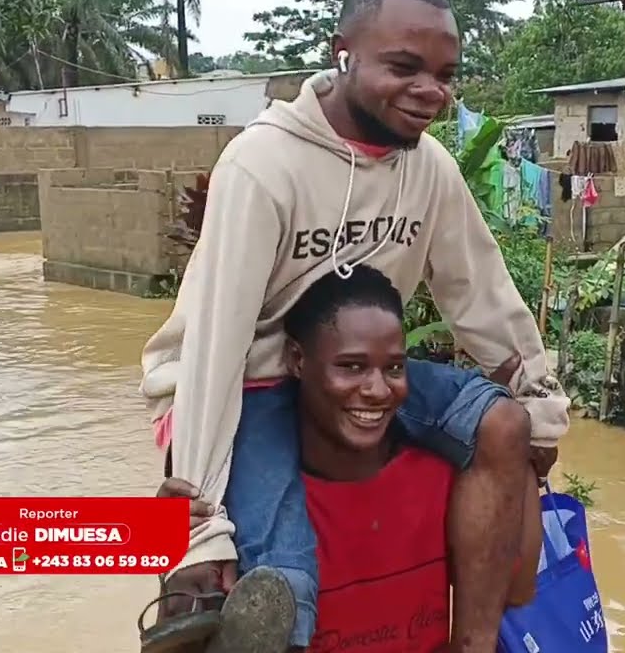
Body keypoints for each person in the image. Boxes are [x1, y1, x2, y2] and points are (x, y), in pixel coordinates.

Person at [139, 0, 569, 653]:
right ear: (343, 53)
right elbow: (215, 340)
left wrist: (538, 401)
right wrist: (199, 515)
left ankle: (475, 645)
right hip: (251, 377)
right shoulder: (263, 167)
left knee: (503, 426)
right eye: (404, 66)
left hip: (363, 366)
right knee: (282, 572)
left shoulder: (429, 168)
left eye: (445, 74)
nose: (429, 91)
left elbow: (480, 289)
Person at [144, 266, 541, 653]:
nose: (376, 390)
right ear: (297, 360)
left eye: (395, 368)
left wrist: (518, 452)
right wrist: (173, 551)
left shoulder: (443, 476)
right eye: (351, 367)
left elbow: (517, 587)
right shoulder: (245, 502)